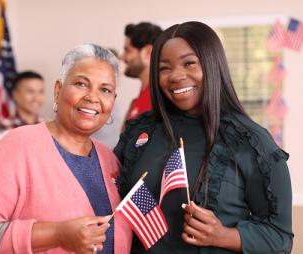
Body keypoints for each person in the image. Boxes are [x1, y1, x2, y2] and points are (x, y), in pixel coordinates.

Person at [114, 21, 293, 253]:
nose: (176, 76)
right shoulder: (139, 130)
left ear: (212, 64)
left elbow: (280, 238)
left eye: (189, 63)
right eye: (164, 68)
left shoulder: (250, 141)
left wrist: (224, 235)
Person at [0, 44, 132, 254]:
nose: (93, 97)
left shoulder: (109, 159)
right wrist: (57, 234)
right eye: (81, 84)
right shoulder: (19, 145)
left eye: (105, 89)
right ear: (58, 90)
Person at [121, 22, 162, 122]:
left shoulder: (159, 99)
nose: (122, 57)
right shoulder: (138, 99)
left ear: (148, 52)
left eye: (128, 50)